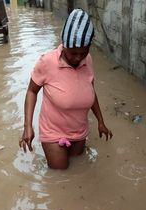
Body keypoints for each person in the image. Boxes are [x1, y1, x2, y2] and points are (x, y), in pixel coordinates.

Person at [19, 9, 113, 169]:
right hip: (53, 132)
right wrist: (28, 127)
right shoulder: (47, 62)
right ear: (64, 46)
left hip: (79, 130)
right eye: (73, 53)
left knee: (78, 165)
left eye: (83, 52)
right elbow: (31, 91)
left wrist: (101, 122)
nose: (78, 57)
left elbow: (90, 91)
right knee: (60, 171)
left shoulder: (87, 60)